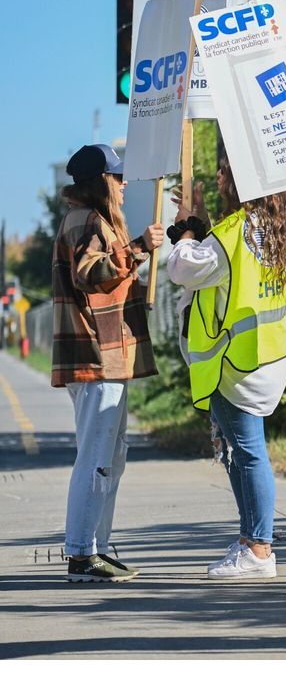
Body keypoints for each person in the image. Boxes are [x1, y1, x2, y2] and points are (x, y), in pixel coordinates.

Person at [167, 159, 286, 579]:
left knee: (248, 454)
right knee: (242, 453)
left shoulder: (232, 233)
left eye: (227, 172)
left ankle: (259, 548)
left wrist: (186, 230)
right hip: (267, 356)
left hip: (234, 364)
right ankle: (250, 540)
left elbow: (182, 267)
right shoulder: (277, 229)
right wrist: (202, 219)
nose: (220, 178)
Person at [52, 144, 163, 582]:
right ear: (100, 180)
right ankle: (82, 554)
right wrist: (136, 249)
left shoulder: (91, 218)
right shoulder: (87, 220)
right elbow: (89, 273)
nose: (122, 184)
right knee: (97, 456)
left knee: (109, 456)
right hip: (96, 355)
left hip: (105, 355)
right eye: (117, 177)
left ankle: (95, 547)